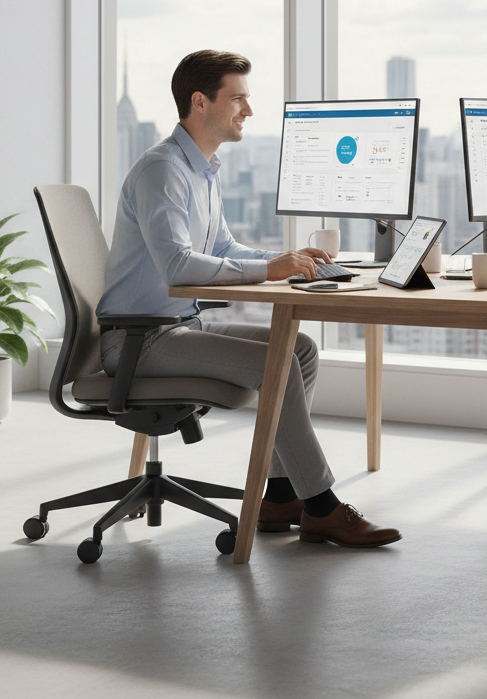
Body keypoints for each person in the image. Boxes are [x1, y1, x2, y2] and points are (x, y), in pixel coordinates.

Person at [97, 49, 401, 548]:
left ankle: (280, 497)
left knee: (298, 348)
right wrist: (268, 270)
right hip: (138, 338)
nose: (249, 110)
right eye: (237, 98)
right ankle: (322, 505)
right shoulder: (163, 171)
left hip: (177, 327)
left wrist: (284, 258)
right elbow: (177, 264)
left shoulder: (202, 170)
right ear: (201, 102)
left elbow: (219, 249)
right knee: (273, 363)